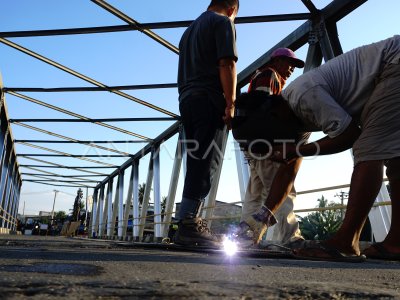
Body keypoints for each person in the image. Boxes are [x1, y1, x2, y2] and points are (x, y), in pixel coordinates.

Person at [248, 35, 400, 261]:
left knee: (368, 150)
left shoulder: (302, 96)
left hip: (392, 64)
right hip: (391, 66)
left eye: (275, 138)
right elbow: (288, 169)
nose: (280, 144)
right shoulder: (294, 118)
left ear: (275, 116)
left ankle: (345, 242)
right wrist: (266, 213)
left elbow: (349, 136)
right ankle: (396, 243)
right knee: (395, 160)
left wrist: (297, 150)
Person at [174, 0, 239, 248]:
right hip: (209, 98)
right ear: (232, 9)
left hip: (187, 99)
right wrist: (231, 103)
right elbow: (226, 63)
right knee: (207, 159)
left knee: (196, 158)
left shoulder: (187, 33)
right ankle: (190, 223)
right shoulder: (223, 22)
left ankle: (187, 221)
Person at [235, 48, 307, 247]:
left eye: (295, 66)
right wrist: (273, 144)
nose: (292, 68)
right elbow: (262, 109)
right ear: (276, 61)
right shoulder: (269, 75)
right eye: (288, 63)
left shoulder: (261, 75)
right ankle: (290, 238)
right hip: (267, 145)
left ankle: (246, 237)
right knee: (282, 190)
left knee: (255, 195)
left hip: (254, 146)